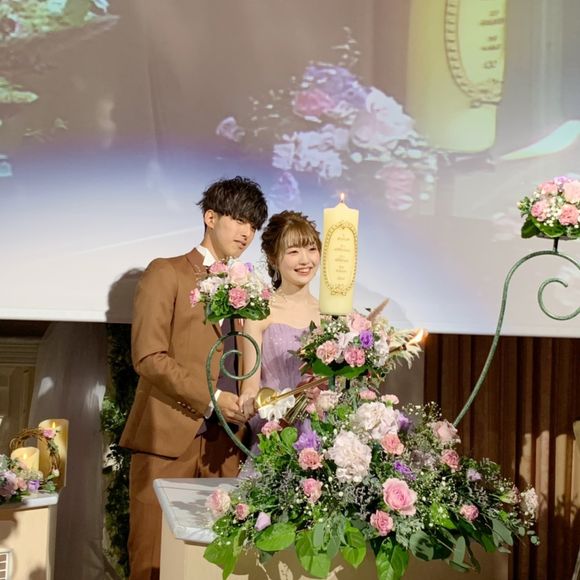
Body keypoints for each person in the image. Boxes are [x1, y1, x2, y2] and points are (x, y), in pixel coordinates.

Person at [119, 176, 268, 580]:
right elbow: (148, 356)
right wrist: (212, 398)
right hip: (167, 438)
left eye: (253, 225)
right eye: (238, 219)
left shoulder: (249, 286)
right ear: (210, 217)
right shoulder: (166, 272)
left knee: (214, 564)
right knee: (152, 558)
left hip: (226, 445)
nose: (246, 232)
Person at [238, 211, 321, 444]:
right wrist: (256, 402)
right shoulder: (260, 312)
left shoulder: (331, 316)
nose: (305, 260)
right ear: (274, 259)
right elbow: (249, 388)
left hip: (323, 433)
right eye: (294, 252)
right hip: (275, 432)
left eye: (311, 249)